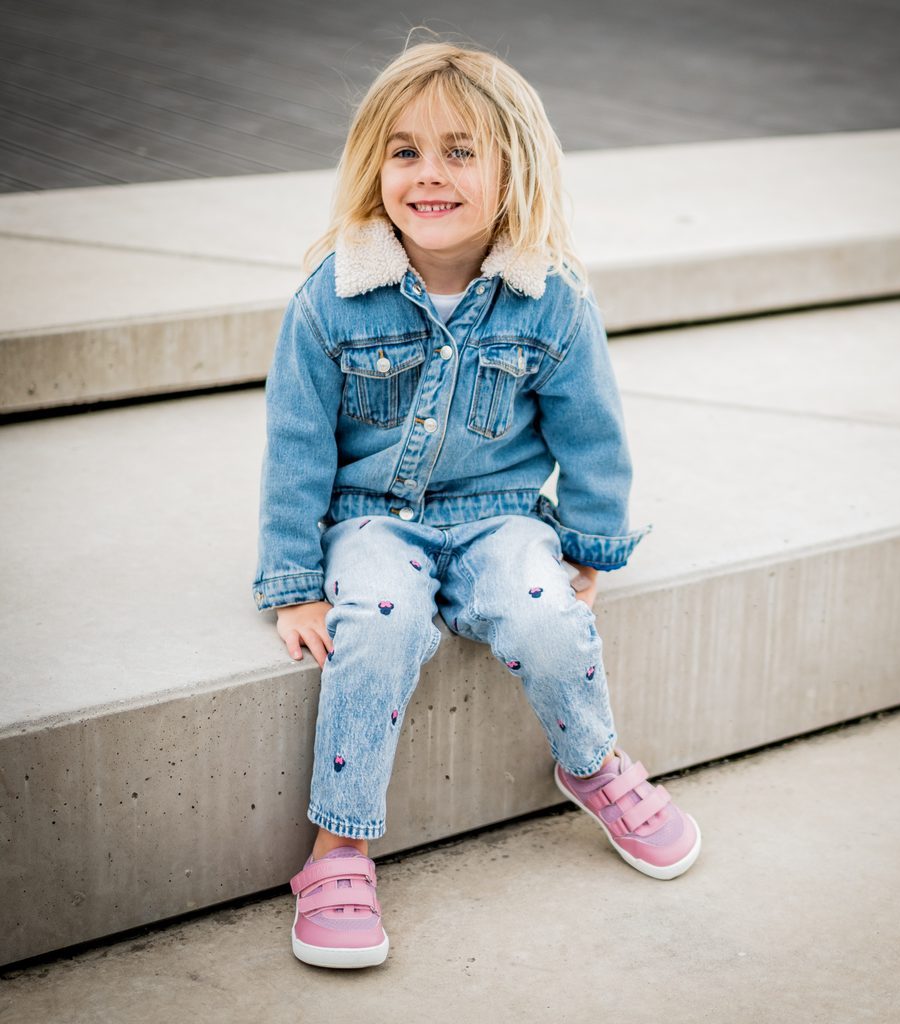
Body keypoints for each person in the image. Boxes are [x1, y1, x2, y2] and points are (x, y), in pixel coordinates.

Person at [253, 38, 701, 970]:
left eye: (460, 152)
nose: (429, 173)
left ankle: (593, 765)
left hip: (501, 515)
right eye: (405, 150)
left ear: (513, 171)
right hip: (371, 517)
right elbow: (296, 447)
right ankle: (338, 848)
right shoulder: (332, 299)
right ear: (374, 166)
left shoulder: (552, 300)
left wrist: (589, 547)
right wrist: (294, 585)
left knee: (545, 617)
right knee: (378, 622)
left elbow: (594, 436)